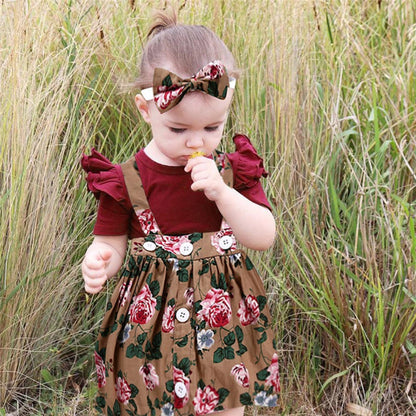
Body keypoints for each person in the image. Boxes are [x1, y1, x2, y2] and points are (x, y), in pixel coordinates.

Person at [81, 10, 280, 416]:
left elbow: (263, 235)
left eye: (212, 128)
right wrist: (99, 261)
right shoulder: (125, 181)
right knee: (151, 403)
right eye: (177, 129)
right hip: (149, 324)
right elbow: (110, 245)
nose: (196, 141)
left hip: (223, 319)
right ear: (145, 108)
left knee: (226, 403)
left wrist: (222, 193)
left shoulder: (233, 171)